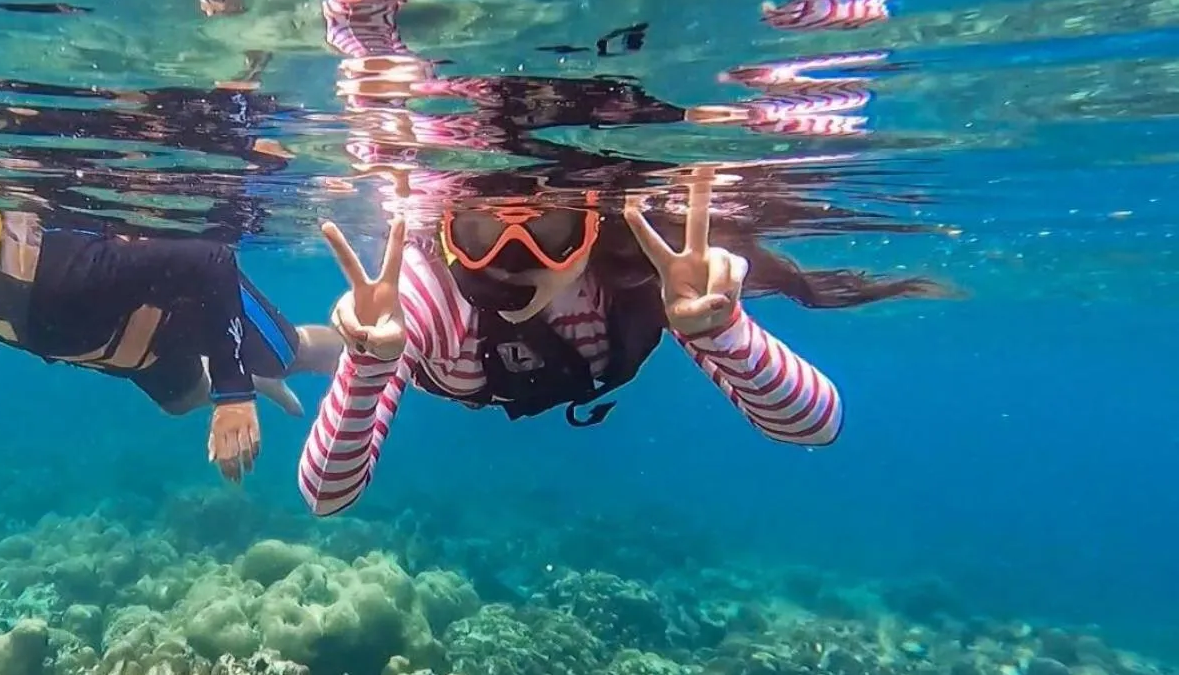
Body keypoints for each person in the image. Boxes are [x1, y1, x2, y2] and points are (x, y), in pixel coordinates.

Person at [297, 165, 946, 515]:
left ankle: (352, 352)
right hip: (439, 367)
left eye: (549, 229)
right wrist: (367, 365)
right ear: (442, 234)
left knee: (377, 348)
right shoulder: (423, 299)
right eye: (477, 232)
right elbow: (325, 496)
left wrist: (723, 333)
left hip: (463, 365)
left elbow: (820, 424)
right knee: (356, 344)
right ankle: (322, 348)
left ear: (591, 228)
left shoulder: (652, 272)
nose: (511, 258)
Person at [0, 199, 342, 482]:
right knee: (177, 403)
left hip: (187, 300)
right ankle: (242, 369)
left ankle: (378, 345)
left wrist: (234, 394)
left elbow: (210, 260)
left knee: (289, 354)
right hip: (127, 347)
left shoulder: (70, 272)